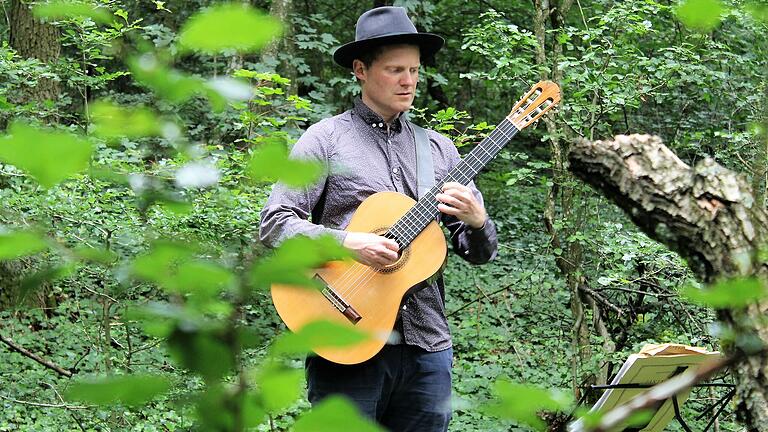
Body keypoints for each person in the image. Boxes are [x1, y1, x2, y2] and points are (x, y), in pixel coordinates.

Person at [259, 6, 498, 432]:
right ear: (360, 70)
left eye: (414, 70)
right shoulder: (326, 140)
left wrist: (478, 222)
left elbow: (478, 253)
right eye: (394, 70)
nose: (408, 81)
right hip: (344, 331)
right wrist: (348, 243)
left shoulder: (440, 151)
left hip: (426, 344)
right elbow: (275, 223)